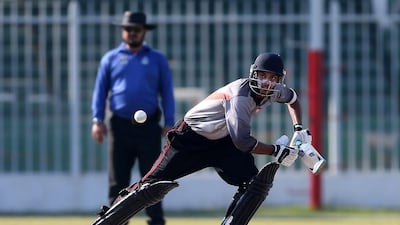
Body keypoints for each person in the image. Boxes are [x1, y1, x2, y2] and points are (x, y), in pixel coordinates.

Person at [91, 53, 311, 225]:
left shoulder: (275, 91)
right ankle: (106, 220)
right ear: (253, 74)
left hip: (223, 143)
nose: (266, 83)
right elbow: (242, 142)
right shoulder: (240, 97)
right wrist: (276, 150)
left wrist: (298, 128)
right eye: (262, 76)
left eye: (273, 78)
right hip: (190, 140)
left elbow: (293, 100)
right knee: (150, 186)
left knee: (254, 184)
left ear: (279, 80)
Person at [91, 11, 175, 225]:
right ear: (123, 31)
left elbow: (166, 92)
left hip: (149, 129)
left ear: (144, 32)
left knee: (152, 180)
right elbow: (100, 92)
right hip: (119, 126)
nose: (132, 33)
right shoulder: (110, 58)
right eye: (128, 29)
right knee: (118, 180)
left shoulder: (157, 59)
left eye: (136, 30)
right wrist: (97, 121)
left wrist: (169, 122)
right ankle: (115, 222)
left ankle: (156, 221)